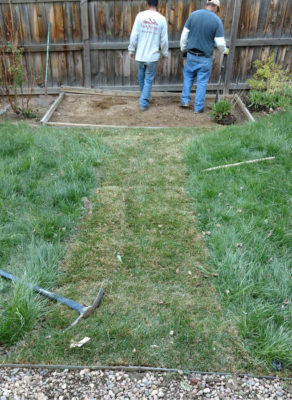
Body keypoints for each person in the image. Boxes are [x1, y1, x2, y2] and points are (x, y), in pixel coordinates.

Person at [180, 0, 228, 113]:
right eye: (218, 9)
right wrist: (224, 50)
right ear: (215, 7)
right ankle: (198, 108)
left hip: (191, 54)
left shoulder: (193, 15)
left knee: (188, 77)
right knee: (201, 82)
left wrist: (183, 50)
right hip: (205, 58)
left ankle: (185, 101)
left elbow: (184, 36)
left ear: (207, 4)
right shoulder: (217, 21)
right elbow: (220, 43)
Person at [128, 0, 168, 111]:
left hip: (140, 56)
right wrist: (165, 53)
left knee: (141, 80)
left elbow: (134, 35)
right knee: (148, 80)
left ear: (147, 3)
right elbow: (164, 40)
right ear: (157, 4)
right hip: (152, 57)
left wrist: (131, 50)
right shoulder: (161, 19)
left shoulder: (140, 16)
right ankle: (143, 102)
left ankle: (143, 99)